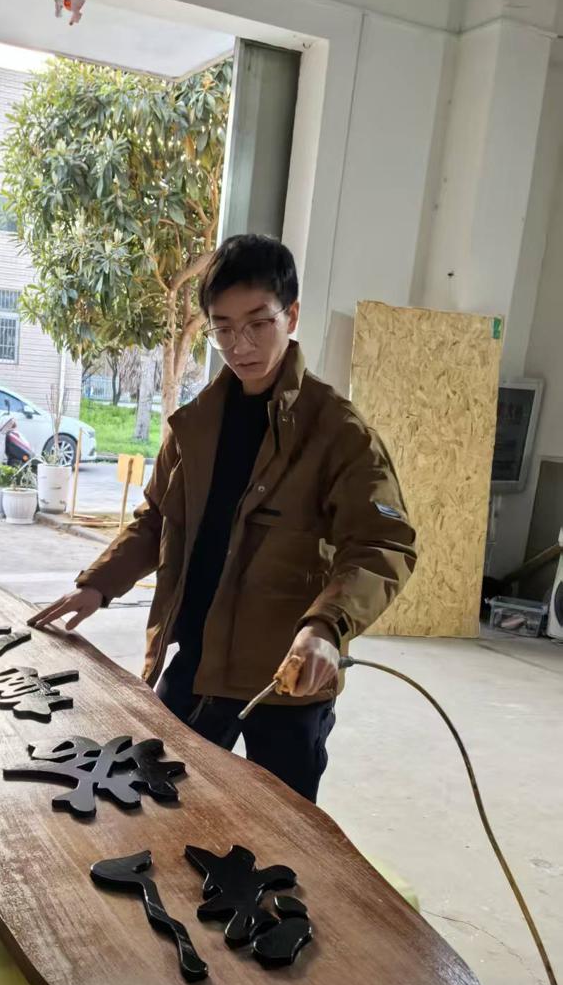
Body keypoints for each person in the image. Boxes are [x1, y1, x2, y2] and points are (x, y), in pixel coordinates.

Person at [29, 234, 416, 804]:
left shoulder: (339, 433)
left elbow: (382, 544)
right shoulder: (196, 424)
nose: (241, 345)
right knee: (154, 803)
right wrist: (99, 585)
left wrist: (326, 627)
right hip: (196, 659)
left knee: (282, 826)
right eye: (224, 328)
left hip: (285, 680)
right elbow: (157, 520)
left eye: (258, 323)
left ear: (292, 316)